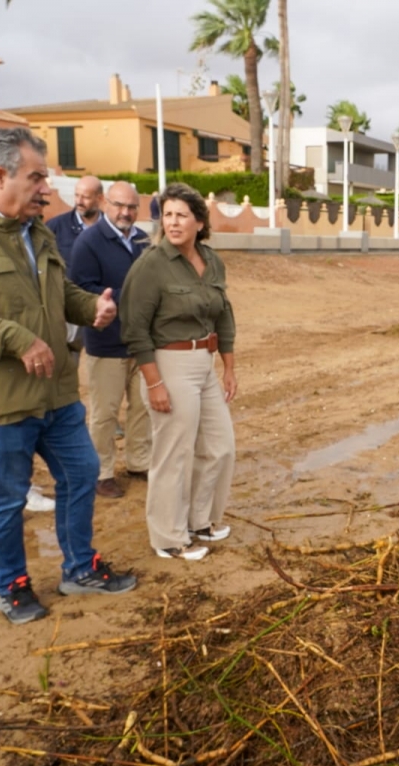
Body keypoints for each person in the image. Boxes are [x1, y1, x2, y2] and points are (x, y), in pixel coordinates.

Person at [0, 128, 136, 625]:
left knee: (81, 475)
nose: (45, 190)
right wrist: (13, 339)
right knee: (5, 497)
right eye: (36, 178)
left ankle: (79, 568)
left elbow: (59, 296)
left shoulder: (40, 233)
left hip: (55, 394)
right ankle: (11, 585)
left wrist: (92, 307)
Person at [119, 183, 237, 561]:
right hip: (168, 364)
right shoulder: (151, 265)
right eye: (167, 214)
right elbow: (134, 329)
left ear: (200, 222)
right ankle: (169, 538)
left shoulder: (211, 260)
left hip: (204, 362)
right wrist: (154, 382)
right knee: (173, 455)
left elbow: (224, 313)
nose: (172, 222)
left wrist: (228, 367)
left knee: (220, 447)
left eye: (181, 215)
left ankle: (200, 520)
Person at [68, 181, 152, 499]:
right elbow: (79, 289)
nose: (126, 212)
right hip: (106, 343)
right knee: (105, 413)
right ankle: (102, 472)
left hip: (141, 342)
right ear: (105, 203)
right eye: (119, 205)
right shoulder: (89, 242)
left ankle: (139, 461)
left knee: (142, 406)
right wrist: (127, 298)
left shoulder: (144, 240)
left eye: (132, 207)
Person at [47, 175, 103, 267]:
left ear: (100, 198)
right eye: (77, 195)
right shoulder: (55, 226)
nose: (79, 202)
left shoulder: (112, 228)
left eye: (86, 197)